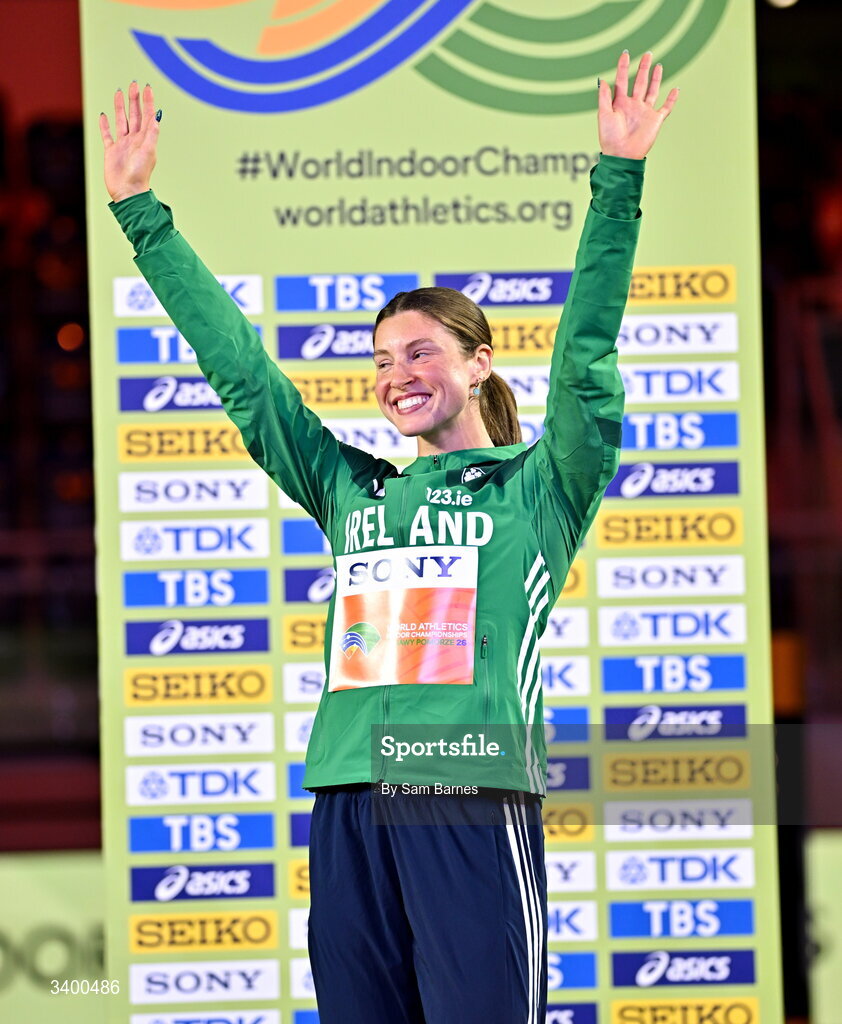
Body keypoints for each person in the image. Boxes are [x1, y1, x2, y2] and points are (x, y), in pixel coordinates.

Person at [102, 51, 677, 1024]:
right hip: (347, 797)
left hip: (466, 790)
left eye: (419, 351)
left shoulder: (538, 487)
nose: (395, 373)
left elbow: (586, 354)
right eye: (379, 359)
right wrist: (140, 213)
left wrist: (616, 176)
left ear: (477, 361)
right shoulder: (349, 488)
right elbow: (246, 375)